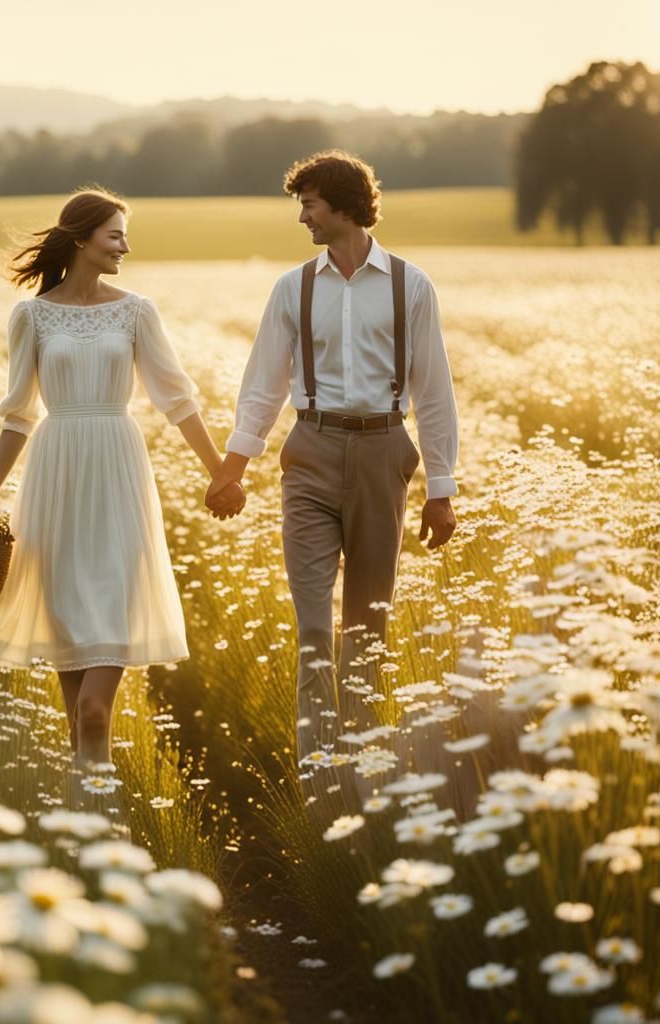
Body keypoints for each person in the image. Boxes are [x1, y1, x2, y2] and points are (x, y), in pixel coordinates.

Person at [0, 186, 243, 812]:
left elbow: (176, 399)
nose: (125, 246)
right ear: (81, 240)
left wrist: (221, 473)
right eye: (115, 235)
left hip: (118, 477)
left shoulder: (136, 312)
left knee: (97, 711)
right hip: (54, 484)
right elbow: (18, 417)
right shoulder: (31, 317)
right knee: (77, 713)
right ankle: (87, 829)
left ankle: (101, 823)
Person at [206, 151, 458, 806]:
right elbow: (263, 386)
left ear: (344, 206)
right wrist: (232, 470)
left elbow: (434, 393)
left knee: (367, 628)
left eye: (310, 204)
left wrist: (441, 491)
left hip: (382, 452)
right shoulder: (292, 288)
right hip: (310, 452)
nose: (302, 217)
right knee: (315, 625)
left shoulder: (411, 286)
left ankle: (365, 777)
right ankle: (320, 781)